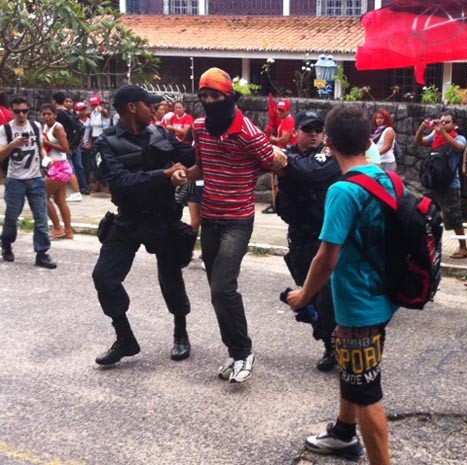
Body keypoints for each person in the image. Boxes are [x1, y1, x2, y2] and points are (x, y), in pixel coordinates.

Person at [288, 105, 397, 464]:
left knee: (366, 390)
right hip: (383, 297)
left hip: (357, 305)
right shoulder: (387, 180)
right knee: (355, 372)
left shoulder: (343, 191)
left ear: (329, 143)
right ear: (369, 140)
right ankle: (343, 433)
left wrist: (304, 295)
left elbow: (326, 257)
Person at [171, 67, 286, 383]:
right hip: (209, 218)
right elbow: (201, 168)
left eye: (215, 96)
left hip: (238, 220)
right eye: (204, 96)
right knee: (216, 291)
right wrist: (182, 174)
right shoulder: (199, 127)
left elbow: (274, 163)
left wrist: (278, 158)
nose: (209, 101)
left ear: (230, 97)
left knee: (223, 287)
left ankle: (243, 351)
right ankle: (235, 352)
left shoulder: (248, 132)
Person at [91, 84, 196, 366]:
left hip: (163, 217)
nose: (155, 108)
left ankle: (180, 333)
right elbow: (122, 181)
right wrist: (165, 174)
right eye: (149, 104)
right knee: (104, 278)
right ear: (132, 107)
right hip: (129, 218)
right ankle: (125, 338)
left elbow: (189, 155)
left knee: (171, 277)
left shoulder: (159, 132)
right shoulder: (106, 142)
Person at [275, 111, 341, 371]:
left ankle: (335, 348)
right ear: (296, 132)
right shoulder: (290, 155)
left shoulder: (327, 156)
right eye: (307, 129)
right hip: (298, 238)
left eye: (317, 129)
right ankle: (328, 341)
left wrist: (283, 162)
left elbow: (311, 173)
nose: (313, 133)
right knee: (309, 296)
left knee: (326, 299)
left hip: (321, 239)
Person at [0, 97, 56, 269]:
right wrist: (13, 144)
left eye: (25, 111)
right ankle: (7, 243)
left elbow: (40, 148)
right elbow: (1, 155)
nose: (22, 114)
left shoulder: (35, 126)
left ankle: (42, 252)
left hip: (35, 178)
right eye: (18, 111)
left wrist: (46, 159)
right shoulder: (5, 129)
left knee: (41, 218)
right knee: (11, 217)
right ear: (12, 110)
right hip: (15, 179)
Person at [415, 112, 467, 259]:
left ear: (455, 124)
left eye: (447, 122)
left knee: (455, 217)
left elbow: (458, 147)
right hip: (434, 182)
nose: (443, 124)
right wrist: (422, 128)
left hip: (450, 184)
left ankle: (463, 247)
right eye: (441, 122)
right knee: (428, 213)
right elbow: (419, 141)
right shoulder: (435, 137)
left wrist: (443, 133)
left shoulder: (459, 137)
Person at [41, 104, 74, 240]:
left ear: (55, 115)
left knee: (42, 196)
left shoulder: (58, 128)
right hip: (56, 167)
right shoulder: (46, 127)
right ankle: (68, 230)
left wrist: (47, 144)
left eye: (49, 114)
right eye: (44, 114)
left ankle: (57, 227)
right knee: (60, 200)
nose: (46, 117)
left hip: (60, 167)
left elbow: (66, 148)